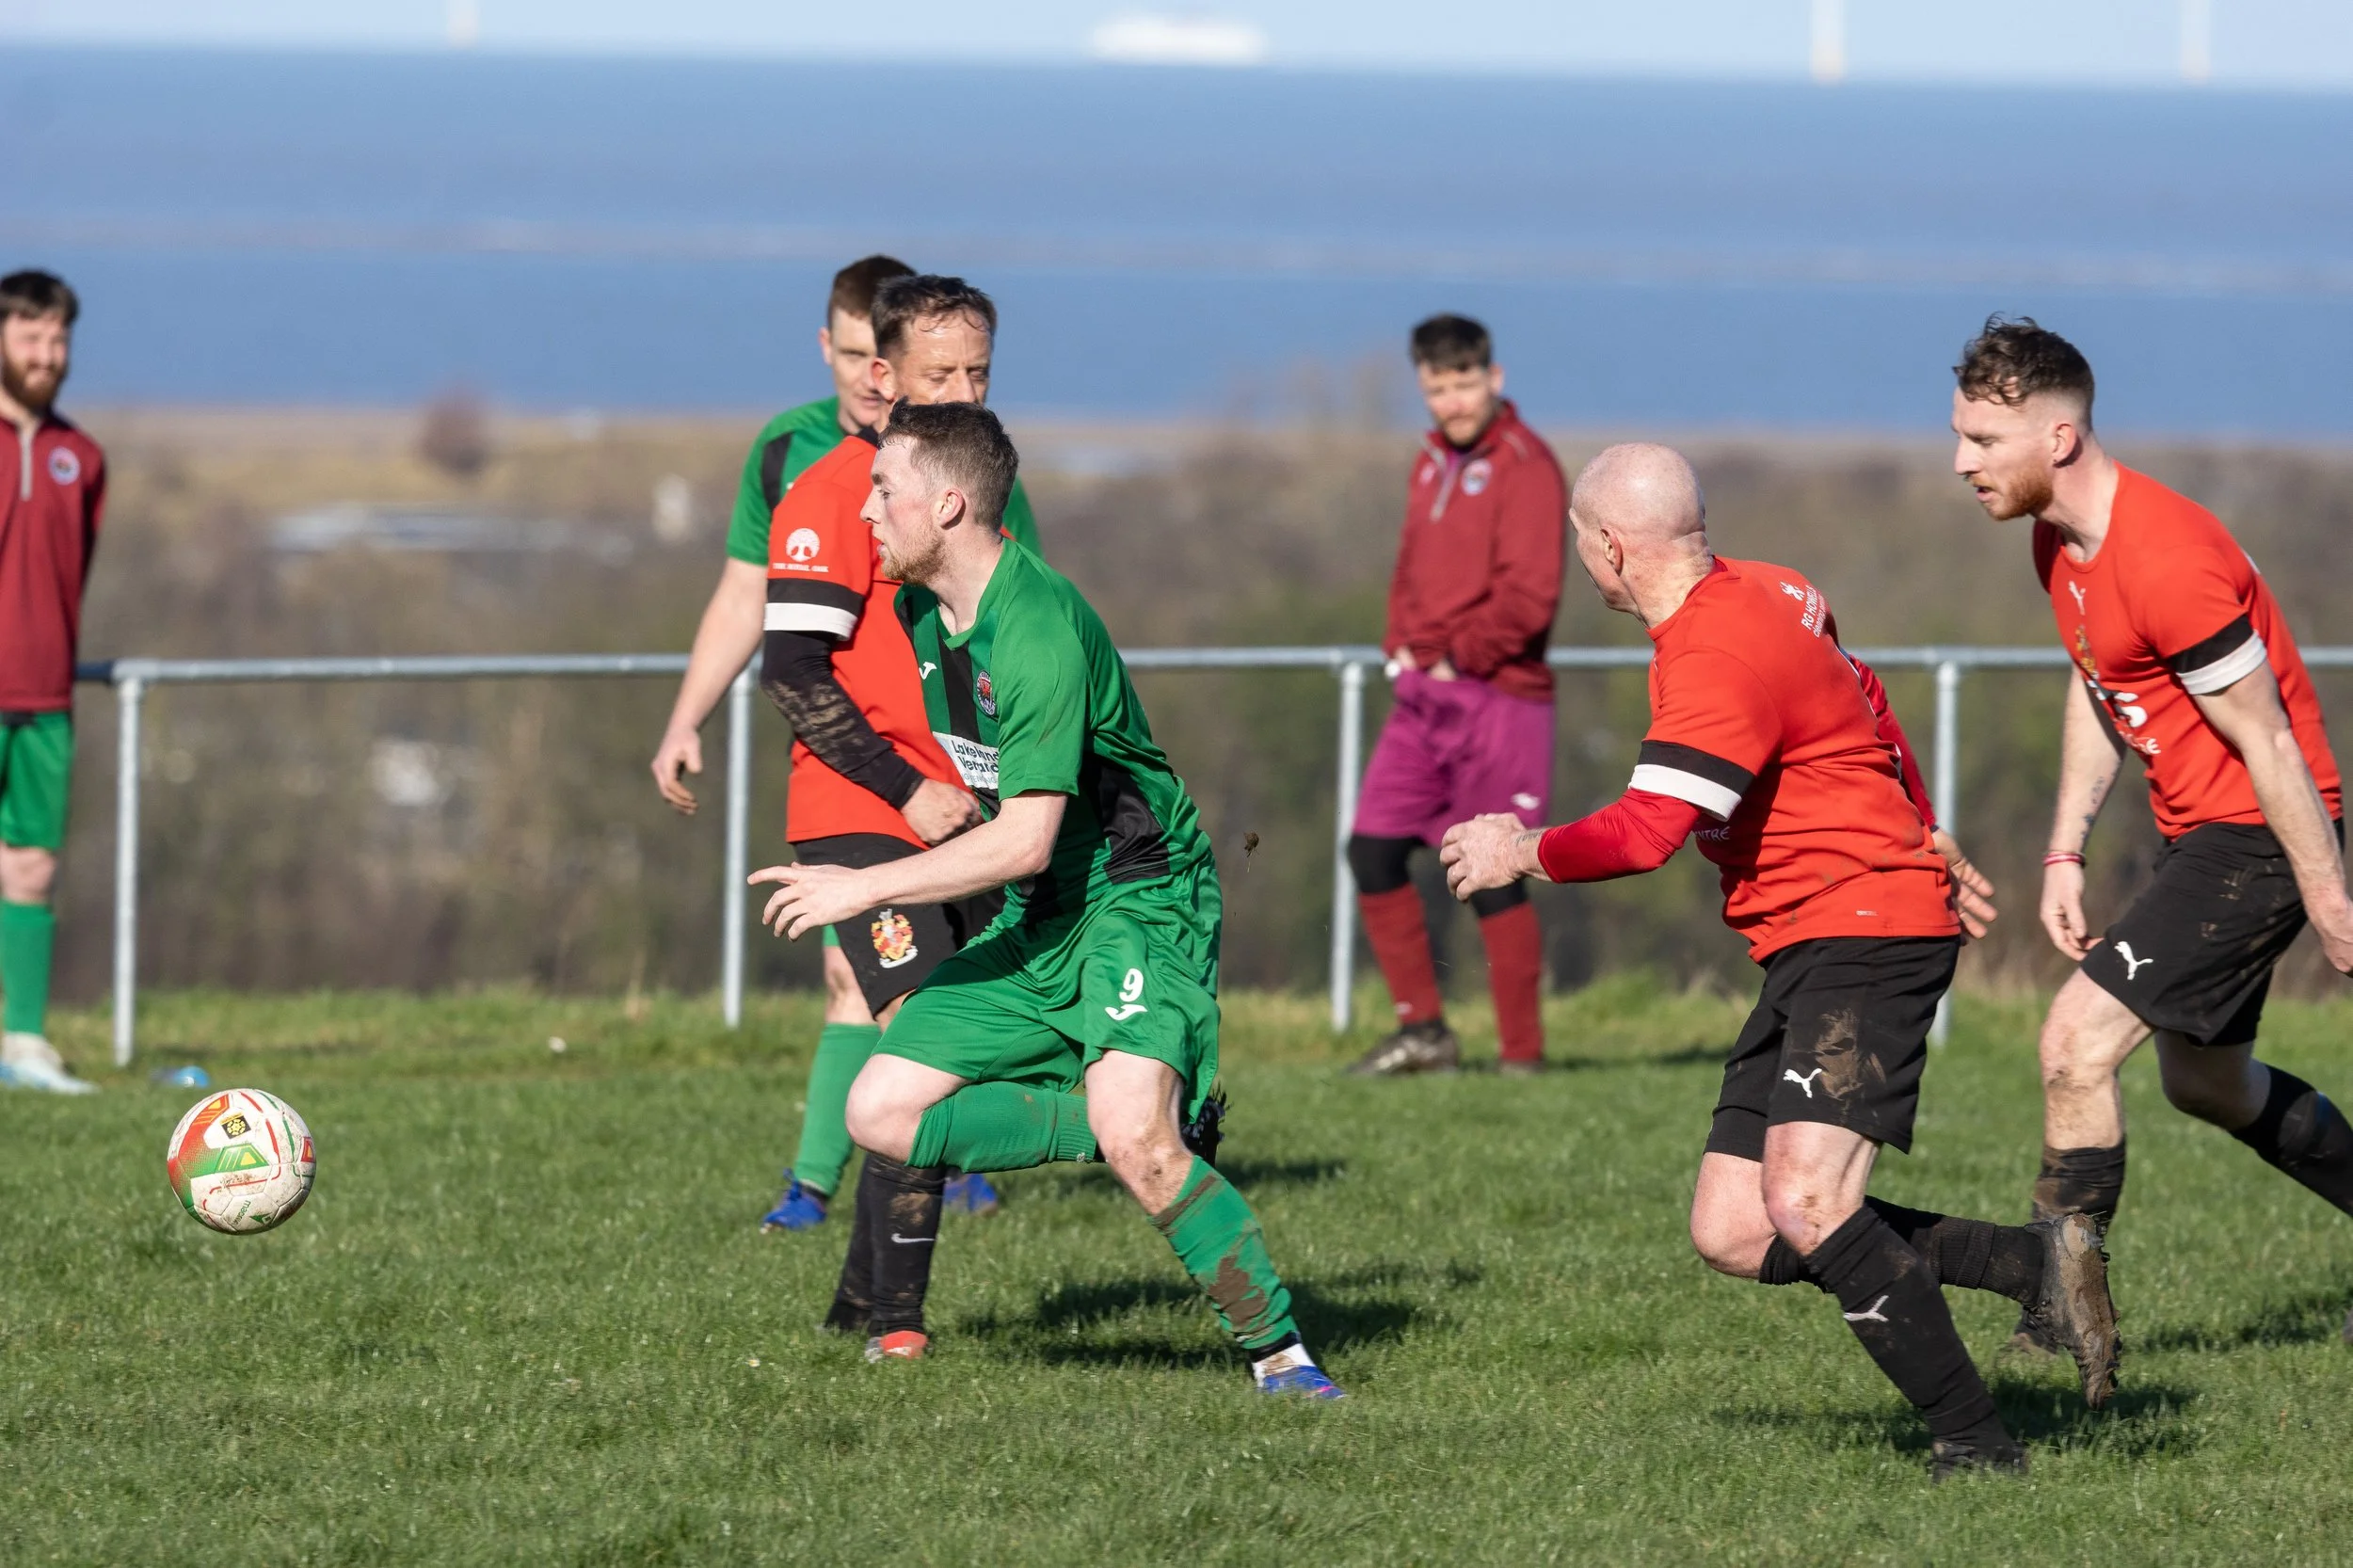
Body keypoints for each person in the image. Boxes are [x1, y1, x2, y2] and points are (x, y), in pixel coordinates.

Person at [1441, 443, 2117, 1480]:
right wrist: (1926, 827)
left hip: (1864, 934)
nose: (1583, 563)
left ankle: (1978, 1446)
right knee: (1732, 1226)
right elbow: (1868, 700)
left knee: (1807, 1200)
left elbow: (1646, 832)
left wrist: (1517, 851)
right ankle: (2029, 1263)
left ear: (1609, 548)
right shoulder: (1776, 589)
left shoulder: (1710, 655)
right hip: (1821, 937)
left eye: (1582, 545)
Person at [754, 402, 1340, 1395]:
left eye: (882, 489)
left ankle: (1282, 1356)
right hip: (1047, 906)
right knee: (882, 1108)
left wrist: (863, 883)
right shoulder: (919, 612)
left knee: (1142, 1149)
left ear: (945, 504)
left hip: (1136, 892)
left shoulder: (1034, 629)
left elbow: (1023, 835)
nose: (864, 510)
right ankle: (1135, 1125)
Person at [1949, 315, 2353, 1350]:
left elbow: (2269, 743)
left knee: (2073, 1046)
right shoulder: (2061, 542)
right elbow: (2099, 688)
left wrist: (2327, 900)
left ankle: (2060, 1309)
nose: (1960, 463)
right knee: (2204, 1083)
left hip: (2256, 833)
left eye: (1982, 443)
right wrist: (2062, 848)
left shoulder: (2166, 556)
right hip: (2202, 834)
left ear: (2060, 439)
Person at [647, 258, 1037, 1231]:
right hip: (866, 797)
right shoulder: (806, 468)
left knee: (958, 1015)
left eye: (975, 375)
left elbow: (1016, 634)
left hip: (962, 800)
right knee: (876, 1003)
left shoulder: (981, 479)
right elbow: (772, 630)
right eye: (935, 375)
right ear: (872, 368)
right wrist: (686, 712)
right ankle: (821, 1193)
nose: (960, 393)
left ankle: (888, 1275)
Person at [1346, 314, 1564, 1077]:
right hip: (1422, 697)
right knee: (1371, 851)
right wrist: (1400, 644)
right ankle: (1424, 1032)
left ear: (1493, 378)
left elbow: (1530, 598)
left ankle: (1522, 1060)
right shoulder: (1430, 460)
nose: (1452, 401)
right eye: (1437, 388)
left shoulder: (1528, 465)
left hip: (1499, 699)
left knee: (1496, 871)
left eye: (1465, 383)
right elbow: (1411, 565)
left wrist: (1457, 659)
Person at [0, 270, 102, 1095]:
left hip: (46, 699)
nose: (48, 354)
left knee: (31, 867)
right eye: (31, 336)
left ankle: (24, 1042)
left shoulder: (83, 457)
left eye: (58, 338)